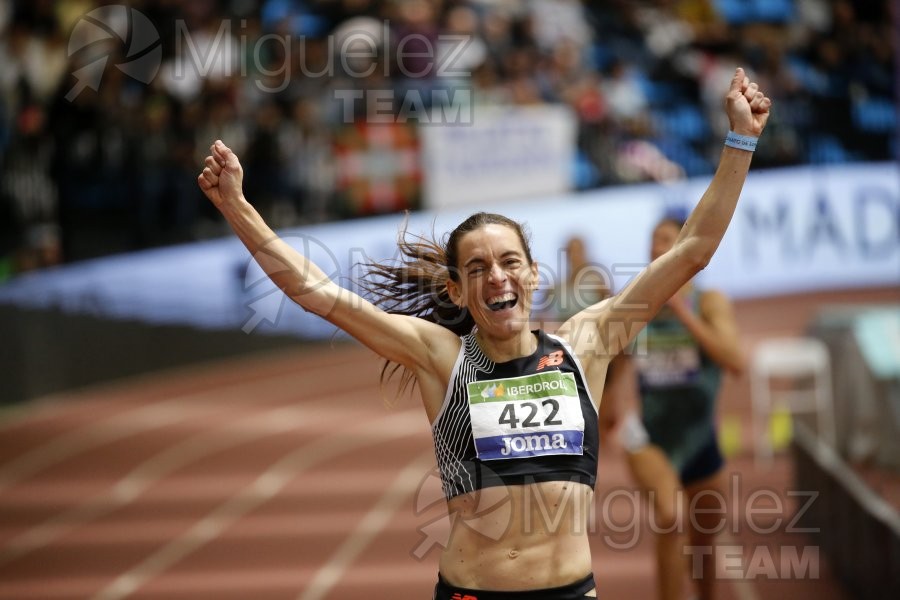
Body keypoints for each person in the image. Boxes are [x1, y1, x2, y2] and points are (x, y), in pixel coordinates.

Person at [197, 67, 770, 600]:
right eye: (477, 268)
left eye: (509, 262)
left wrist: (740, 141)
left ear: (532, 275)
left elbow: (692, 251)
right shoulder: (440, 357)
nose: (497, 275)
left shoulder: (585, 344)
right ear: (456, 291)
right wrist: (237, 205)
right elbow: (316, 293)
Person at [601, 216, 746, 600]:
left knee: (703, 541)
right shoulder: (637, 305)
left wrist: (683, 313)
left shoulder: (709, 302)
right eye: (652, 241)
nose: (655, 248)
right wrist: (609, 402)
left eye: (665, 239)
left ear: (687, 246)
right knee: (670, 515)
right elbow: (614, 363)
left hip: (701, 439)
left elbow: (736, 362)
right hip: (649, 437)